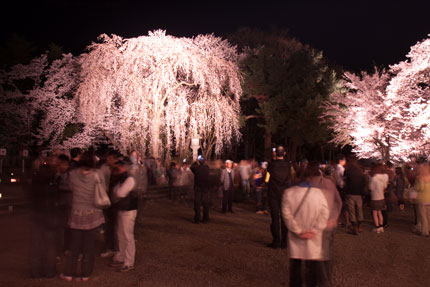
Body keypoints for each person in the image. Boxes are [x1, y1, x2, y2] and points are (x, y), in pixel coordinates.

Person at [282, 162, 329, 287]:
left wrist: (298, 231)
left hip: (295, 238)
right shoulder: (319, 194)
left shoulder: (288, 193)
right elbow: (325, 214)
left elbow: (286, 215)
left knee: (295, 268)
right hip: (313, 237)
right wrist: (313, 230)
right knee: (312, 268)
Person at [61, 151, 104, 282]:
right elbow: (102, 189)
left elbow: (71, 188)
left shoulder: (72, 175)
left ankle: (69, 273)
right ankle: (85, 274)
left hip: (76, 213)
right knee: (88, 246)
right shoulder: (97, 175)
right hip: (92, 213)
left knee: (74, 245)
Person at [309, 163, 342, 286]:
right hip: (330, 224)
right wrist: (335, 218)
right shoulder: (330, 185)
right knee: (327, 254)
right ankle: (327, 279)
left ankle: (323, 282)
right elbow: (339, 202)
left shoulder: (311, 187)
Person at [30, 155, 60, 278]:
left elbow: (32, 193)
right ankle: (49, 270)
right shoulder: (53, 178)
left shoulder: (37, 175)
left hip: (37, 211)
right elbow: (55, 196)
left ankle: (35, 270)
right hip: (50, 212)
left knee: (36, 243)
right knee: (50, 243)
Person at [110, 158, 138, 272]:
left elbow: (120, 193)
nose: (119, 168)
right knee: (120, 234)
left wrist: (116, 192)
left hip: (129, 210)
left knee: (127, 235)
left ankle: (129, 261)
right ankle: (122, 257)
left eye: (121, 166)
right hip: (122, 208)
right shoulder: (123, 178)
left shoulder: (129, 179)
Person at [266, 146, 291, 249]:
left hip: (273, 194)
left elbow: (267, 179)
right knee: (285, 218)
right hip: (285, 194)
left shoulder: (271, 165)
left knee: (275, 218)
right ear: (284, 153)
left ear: (276, 153)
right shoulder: (288, 165)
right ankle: (284, 242)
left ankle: (276, 241)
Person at [343, 157, 366, 235]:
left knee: (351, 211)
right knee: (359, 210)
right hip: (359, 193)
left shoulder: (347, 171)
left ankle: (354, 228)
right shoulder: (360, 171)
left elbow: (344, 182)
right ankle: (359, 227)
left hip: (350, 193)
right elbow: (364, 182)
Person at [369, 163, 389, 233]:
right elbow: (385, 187)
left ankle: (377, 227)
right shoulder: (383, 178)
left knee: (375, 213)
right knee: (380, 212)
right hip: (382, 197)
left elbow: (371, 188)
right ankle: (381, 227)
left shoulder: (374, 178)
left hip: (375, 198)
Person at [191, 156, 211, 223]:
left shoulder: (196, 168)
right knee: (206, 205)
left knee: (197, 204)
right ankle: (206, 219)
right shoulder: (207, 168)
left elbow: (191, 167)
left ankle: (197, 219)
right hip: (206, 189)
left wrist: (195, 162)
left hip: (198, 189)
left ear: (199, 161)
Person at [414, 163, 430, 237]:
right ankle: (428, 229)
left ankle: (424, 231)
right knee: (428, 215)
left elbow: (419, 188)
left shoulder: (420, 178)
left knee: (422, 216)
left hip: (422, 199)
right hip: (429, 199)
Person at [334, 154, 349, 228]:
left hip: (336, 186)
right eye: (344, 160)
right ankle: (347, 221)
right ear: (341, 161)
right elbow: (344, 178)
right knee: (344, 206)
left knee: (337, 205)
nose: (345, 161)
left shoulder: (335, 168)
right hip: (341, 187)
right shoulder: (341, 169)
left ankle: (338, 221)